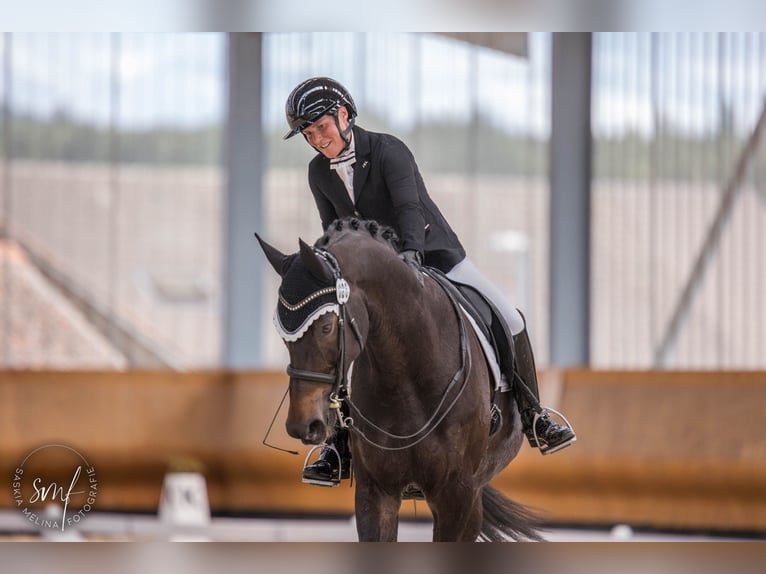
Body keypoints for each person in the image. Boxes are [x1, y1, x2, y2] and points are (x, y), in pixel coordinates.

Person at [283, 76, 576, 486]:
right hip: (375, 283)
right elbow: (335, 230)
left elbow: (407, 209)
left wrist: (410, 257)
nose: (316, 139)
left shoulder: (388, 151)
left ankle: (534, 416)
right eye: (308, 134)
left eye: (321, 128)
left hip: (433, 256)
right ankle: (340, 445)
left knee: (509, 318)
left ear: (344, 115)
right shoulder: (319, 172)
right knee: (344, 343)